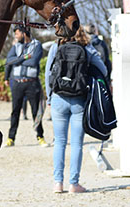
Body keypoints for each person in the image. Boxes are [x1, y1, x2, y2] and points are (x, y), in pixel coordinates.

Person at [45, 28, 107, 193]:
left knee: (59, 142)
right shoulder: (87, 47)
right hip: (79, 98)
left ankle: (58, 183)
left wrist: (49, 97)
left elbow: (47, 73)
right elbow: (103, 70)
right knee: (77, 143)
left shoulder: (55, 46)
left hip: (58, 97)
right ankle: (74, 183)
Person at [4, 25, 46, 147]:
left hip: (32, 83)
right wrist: (24, 57)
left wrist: (18, 60)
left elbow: (34, 62)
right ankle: (11, 138)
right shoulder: (16, 46)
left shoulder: (37, 45)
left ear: (24, 33)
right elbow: (9, 61)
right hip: (17, 83)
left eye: (17, 34)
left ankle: (40, 136)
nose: (16, 36)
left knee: (35, 111)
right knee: (15, 112)